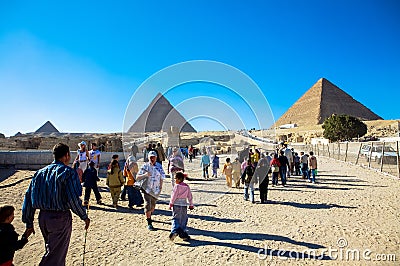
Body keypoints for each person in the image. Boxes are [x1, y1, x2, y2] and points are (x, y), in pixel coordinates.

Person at [22, 143, 90, 265]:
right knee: (54, 256)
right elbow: (72, 199)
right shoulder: (68, 172)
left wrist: (29, 222)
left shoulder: (39, 173)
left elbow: (28, 198)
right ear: (66, 155)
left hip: (43, 218)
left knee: (52, 250)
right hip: (60, 218)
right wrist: (84, 216)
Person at [136, 151, 165, 231]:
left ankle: (149, 214)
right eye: (150, 157)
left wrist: (160, 187)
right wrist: (145, 175)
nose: (152, 159)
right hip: (146, 189)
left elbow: (162, 177)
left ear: (156, 158)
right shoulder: (145, 166)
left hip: (155, 190)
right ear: (148, 158)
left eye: (154, 157)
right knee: (147, 205)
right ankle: (149, 223)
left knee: (152, 206)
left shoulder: (159, 166)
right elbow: (137, 177)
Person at [169, 172, 194, 241]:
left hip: (176, 204)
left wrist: (171, 203)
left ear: (178, 179)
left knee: (176, 217)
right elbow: (190, 196)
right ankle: (182, 232)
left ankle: (174, 231)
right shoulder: (186, 186)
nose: (175, 180)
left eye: (175, 179)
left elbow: (174, 196)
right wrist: (191, 204)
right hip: (184, 204)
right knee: (183, 218)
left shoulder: (177, 186)